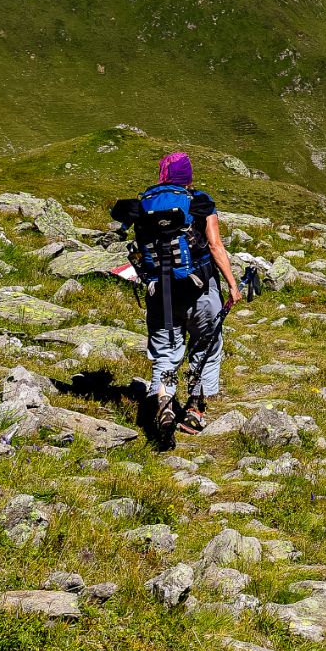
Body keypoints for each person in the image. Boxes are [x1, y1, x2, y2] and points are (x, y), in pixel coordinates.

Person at [111, 152, 241, 444]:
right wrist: (233, 285)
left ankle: (165, 402)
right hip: (201, 290)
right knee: (205, 346)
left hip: (161, 293)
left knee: (166, 354)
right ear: (188, 176)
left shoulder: (144, 204)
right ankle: (195, 409)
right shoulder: (199, 202)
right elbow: (216, 246)